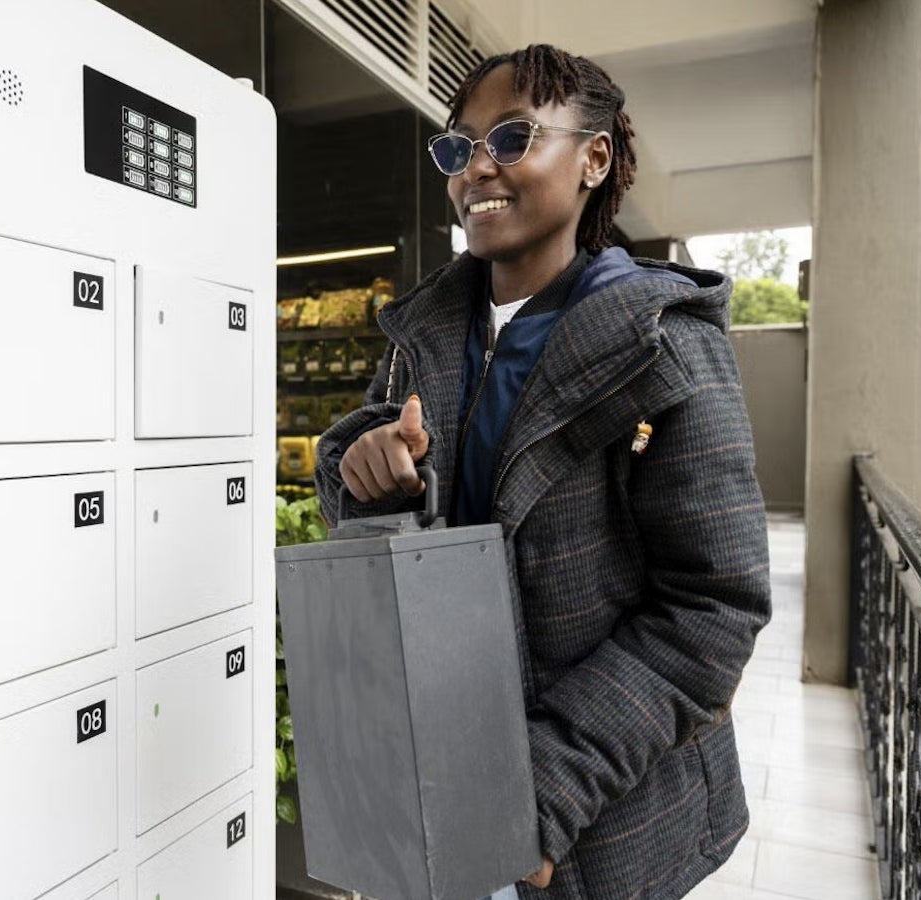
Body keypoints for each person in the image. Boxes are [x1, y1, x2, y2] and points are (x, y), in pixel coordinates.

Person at [313, 44, 771, 899]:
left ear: (595, 158)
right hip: (445, 769)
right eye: (458, 147)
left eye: (514, 138)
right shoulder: (427, 332)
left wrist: (545, 787)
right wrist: (372, 474)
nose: (477, 167)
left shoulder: (664, 346)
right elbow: (359, 476)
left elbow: (713, 608)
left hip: (602, 820)